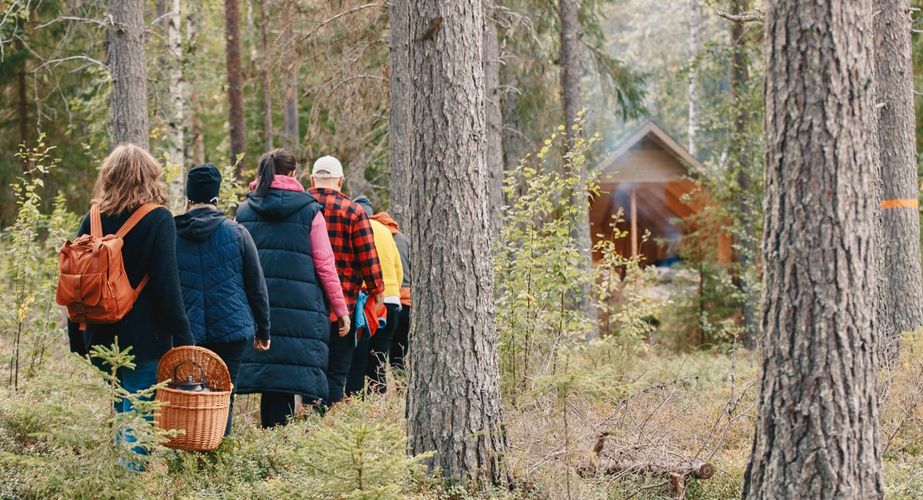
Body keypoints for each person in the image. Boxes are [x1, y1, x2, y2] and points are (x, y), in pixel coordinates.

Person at [66, 143, 194, 459]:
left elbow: (77, 281)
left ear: (109, 177)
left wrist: (77, 337)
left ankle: (118, 478)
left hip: (98, 334)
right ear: (148, 177)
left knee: (124, 411)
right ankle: (129, 484)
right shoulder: (159, 219)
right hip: (143, 339)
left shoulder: (93, 217)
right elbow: (167, 287)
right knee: (137, 419)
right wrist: (185, 340)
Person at [235, 149, 349, 427]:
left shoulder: (244, 211)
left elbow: (234, 262)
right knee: (287, 380)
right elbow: (325, 264)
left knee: (270, 379)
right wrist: (341, 309)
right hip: (301, 311)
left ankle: (270, 447)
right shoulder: (310, 210)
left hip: (257, 309)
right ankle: (285, 446)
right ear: (294, 174)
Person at [174, 164, 272, 435]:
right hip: (231, 331)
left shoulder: (171, 234)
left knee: (188, 397)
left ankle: (189, 453)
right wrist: (263, 330)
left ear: (189, 197)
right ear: (216, 197)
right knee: (223, 395)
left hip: (186, 332)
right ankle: (218, 451)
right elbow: (256, 286)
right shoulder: (237, 233)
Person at [308, 156, 384, 405]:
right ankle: (328, 426)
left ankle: (304, 426)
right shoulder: (354, 212)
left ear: (311, 179)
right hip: (343, 308)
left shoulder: (300, 207)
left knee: (307, 372)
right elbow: (368, 260)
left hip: (304, 306)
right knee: (337, 373)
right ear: (341, 181)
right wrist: (376, 290)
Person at [350, 196, 403, 394]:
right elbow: (398, 269)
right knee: (379, 359)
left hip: (367, 300)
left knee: (358, 360)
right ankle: (378, 405)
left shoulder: (357, 226)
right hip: (390, 301)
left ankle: (355, 409)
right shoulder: (386, 231)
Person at [372, 213, 411, 371]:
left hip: (384, 299)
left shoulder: (374, 235)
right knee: (399, 354)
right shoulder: (403, 239)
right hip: (406, 301)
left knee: (377, 355)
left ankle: (377, 391)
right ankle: (401, 388)